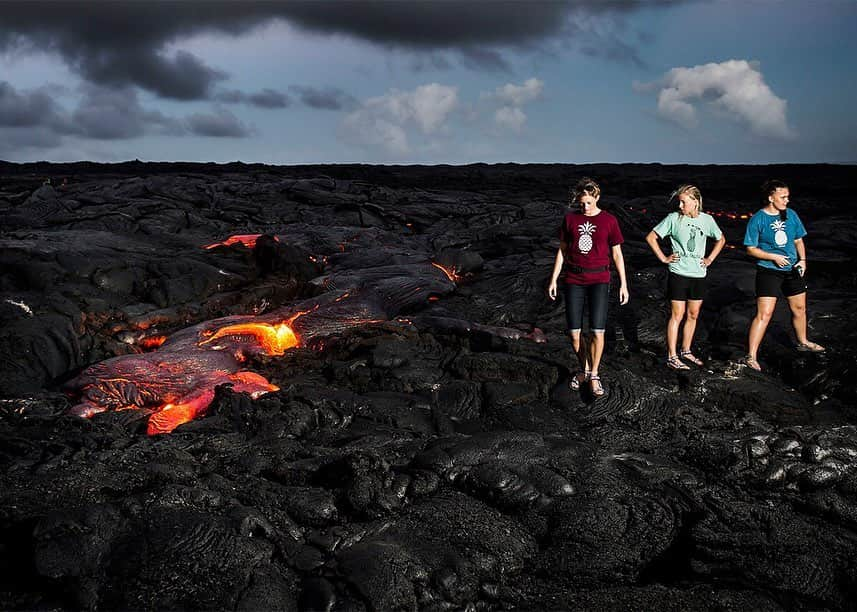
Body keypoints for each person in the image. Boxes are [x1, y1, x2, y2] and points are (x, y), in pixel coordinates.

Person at [548, 177, 629, 397]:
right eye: (581, 203)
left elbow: (617, 254)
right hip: (574, 279)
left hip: (600, 279)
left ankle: (593, 374)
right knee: (574, 334)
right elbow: (562, 251)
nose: (585, 207)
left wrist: (623, 283)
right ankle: (583, 368)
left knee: (597, 331)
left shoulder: (609, 220)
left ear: (597, 198)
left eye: (589, 203)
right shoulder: (570, 219)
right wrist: (554, 278)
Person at [743, 179, 825, 371]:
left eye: (787, 197)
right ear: (771, 198)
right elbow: (750, 249)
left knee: (799, 309)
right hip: (768, 270)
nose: (787, 200)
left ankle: (803, 341)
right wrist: (772, 256)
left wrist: (802, 260)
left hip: (791, 270)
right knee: (765, 313)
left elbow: (798, 240)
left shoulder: (791, 215)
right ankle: (751, 356)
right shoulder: (758, 219)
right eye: (783, 197)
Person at [646, 185, 726, 369]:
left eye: (684, 201)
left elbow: (721, 239)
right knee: (677, 314)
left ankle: (686, 351)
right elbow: (651, 237)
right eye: (679, 201)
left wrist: (710, 259)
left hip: (698, 274)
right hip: (678, 273)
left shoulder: (707, 220)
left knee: (693, 314)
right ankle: (672, 356)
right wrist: (664, 258)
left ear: (695, 202)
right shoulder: (673, 219)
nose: (680, 205)